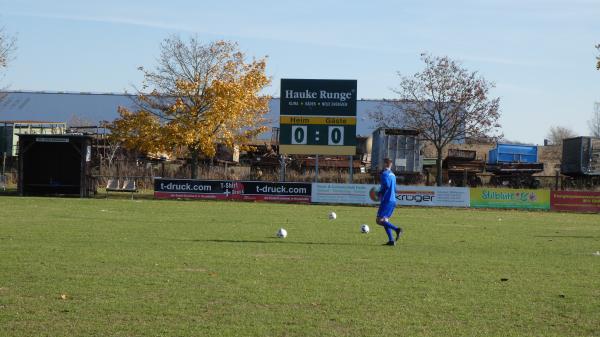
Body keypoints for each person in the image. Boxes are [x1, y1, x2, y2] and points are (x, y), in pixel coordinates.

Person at [376, 158, 403, 246]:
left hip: (386, 200)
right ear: (391, 165)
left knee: (379, 220)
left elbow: (386, 185)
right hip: (392, 200)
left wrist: (380, 193)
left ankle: (397, 229)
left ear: (385, 164)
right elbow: (395, 189)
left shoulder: (384, 174)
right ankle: (391, 241)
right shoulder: (393, 175)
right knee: (385, 220)